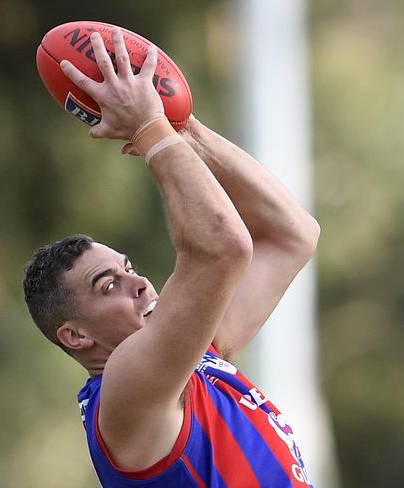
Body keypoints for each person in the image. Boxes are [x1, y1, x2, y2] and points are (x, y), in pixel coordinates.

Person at [23, 29, 319, 487]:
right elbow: (224, 247)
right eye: (108, 285)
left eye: (128, 269)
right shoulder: (127, 390)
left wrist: (184, 129)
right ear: (76, 335)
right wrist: (148, 129)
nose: (139, 284)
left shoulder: (193, 360)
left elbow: (292, 234)